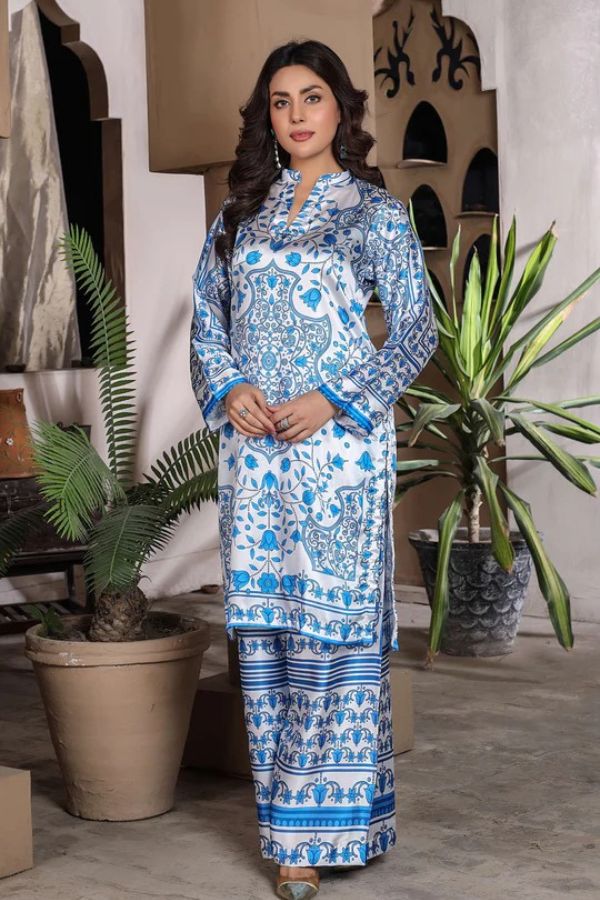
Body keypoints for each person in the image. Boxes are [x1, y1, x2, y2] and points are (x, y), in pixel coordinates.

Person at [190, 39, 438, 900]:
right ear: (267, 114)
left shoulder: (373, 214)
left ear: (342, 110)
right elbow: (205, 327)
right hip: (253, 461)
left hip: (338, 461)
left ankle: (305, 837)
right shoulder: (236, 218)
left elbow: (415, 331)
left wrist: (334, 399)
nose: (296, 115)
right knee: (267, 642)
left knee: (333, 639)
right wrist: (232, 386)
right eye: (281, 101)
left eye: (313, 97)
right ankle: (324, 818)